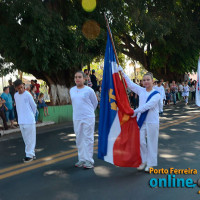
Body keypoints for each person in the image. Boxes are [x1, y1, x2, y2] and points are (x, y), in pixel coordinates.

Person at [119, 66, 160, 172]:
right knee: (141, 141)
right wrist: (122, 72)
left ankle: (151, 163)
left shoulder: (157, 94)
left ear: (153, 81)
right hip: (141, 121)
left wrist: (135, 111)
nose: (146, 82)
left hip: (152, 121)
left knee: (152, 142)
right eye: (144, 80)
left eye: (148, 80)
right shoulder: (141, 91)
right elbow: (130, 84)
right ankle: (144, 160)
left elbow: (148, 106)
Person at [70, 71, 98, 169]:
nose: (77, 79)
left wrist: (89, 113)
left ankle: (89, 160)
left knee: (88, 138)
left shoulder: (89, 90)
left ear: (84, 78)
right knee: (79, 139)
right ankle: (81, 159)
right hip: (77, 118)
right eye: (75, 77)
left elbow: (95, 103)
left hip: (88, 117)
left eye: (79, 77)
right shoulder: (72, 90)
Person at [14, 79, 37, 163]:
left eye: (22, 87)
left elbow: (34, 106)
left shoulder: (27, 94)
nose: (21, 89)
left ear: (23, 85)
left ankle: (29, 155)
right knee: (26, 139)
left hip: (29, 120)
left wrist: (32, 116)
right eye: (19, 88)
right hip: (21, 120)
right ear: (16, 88)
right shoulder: (16, 95)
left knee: (30, 138)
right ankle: (32, 154)